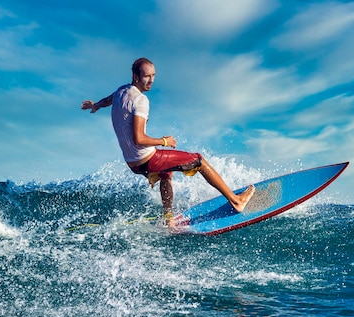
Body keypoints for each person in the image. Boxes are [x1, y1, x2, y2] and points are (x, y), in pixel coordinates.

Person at [81, 57, 254, 223]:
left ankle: (168, 219)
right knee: (199, 160)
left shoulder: (121, 91)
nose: (151, 80)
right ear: (135, 77)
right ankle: (236, 201)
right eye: (147, 76)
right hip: (147, 159)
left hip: (133, 163)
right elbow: (139, 138)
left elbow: (107, 100)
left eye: (153, 76)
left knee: (166, 174)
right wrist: (164, 141)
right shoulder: (141, 100)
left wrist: (96, 105)